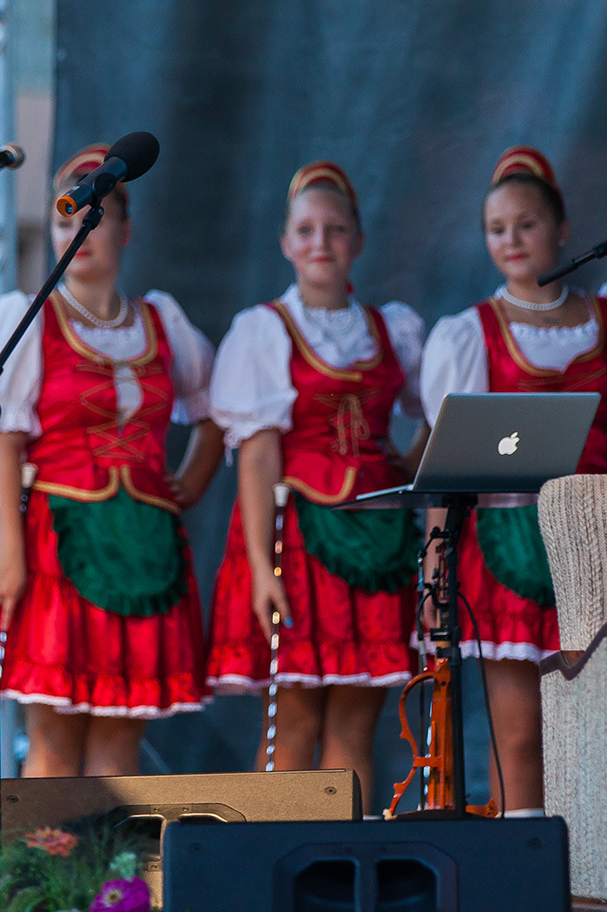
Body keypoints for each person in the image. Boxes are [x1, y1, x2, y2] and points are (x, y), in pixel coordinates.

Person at [0, 146, 222, 775]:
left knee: (121, 742)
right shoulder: (29, 318)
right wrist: (8, 555)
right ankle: (45, 848)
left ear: (124, 230)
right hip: (57, 541)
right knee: (53, 737)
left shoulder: (161, 321)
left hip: (145, 547)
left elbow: (216, 413)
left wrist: (187, 484)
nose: (77, 234)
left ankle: (110, 848)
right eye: (63, 221)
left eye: (92, 219)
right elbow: (6, 439)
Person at [206, 161, 427, 808]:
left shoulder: (392, 328)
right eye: (305, 230)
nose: (320, 243)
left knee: (356, 721)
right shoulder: (265, 329)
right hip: (297, 540)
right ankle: (277, 856)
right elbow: (258, 457)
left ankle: (341, 859)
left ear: (358, 239)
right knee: (295, 716)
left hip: (379, 542)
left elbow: (437, 411)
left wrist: (403, 467)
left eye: (334, 229)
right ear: (285, 243)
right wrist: (260, 567)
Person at [419, 147, 607, 814]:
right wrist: (436, 567)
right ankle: (524, 856)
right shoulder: (470, 334)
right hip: (509, 545)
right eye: (496, 228)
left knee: (594, 730)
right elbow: (449, 467)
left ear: (561, 228)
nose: (511, 240)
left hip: (593, 542)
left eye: (526, 224)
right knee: (520, 734)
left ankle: (595, 864)